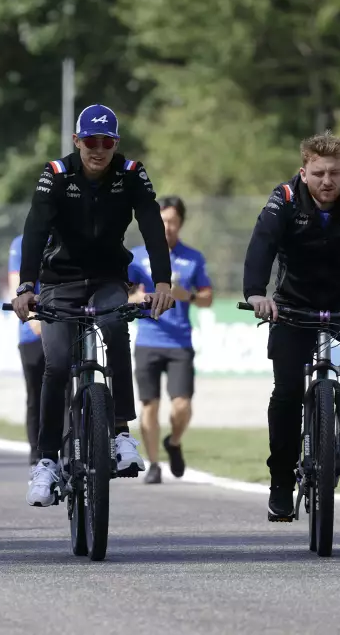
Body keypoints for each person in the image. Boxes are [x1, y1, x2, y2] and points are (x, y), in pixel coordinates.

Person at [11, 103, 176, 507]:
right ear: (76, 141)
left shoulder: (132, 173)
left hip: (107, 279)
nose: (98, 150)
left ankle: (121, 433)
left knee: (117, 327)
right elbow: (35, 227)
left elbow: (152, 223)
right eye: (90, 142)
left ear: (115, 143)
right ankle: (47, 461)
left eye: (106, 142)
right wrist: (26, 285)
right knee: (56, 361)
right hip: (58, 281)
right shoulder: (56, 174)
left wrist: (162, 282)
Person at [242, 131, 340, 522]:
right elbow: (262, 242)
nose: (327, 182)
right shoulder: (283, 197)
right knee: (285, 394)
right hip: (292, 303)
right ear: (304, 172)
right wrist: (255, 294)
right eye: (318, 174)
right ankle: (280, 482)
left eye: (334, 173)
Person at [127, 196, 213, 484]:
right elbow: (121, 293)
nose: (168, 228)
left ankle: (174, 442)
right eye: (163, 221)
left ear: (181, 223)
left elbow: (207, 298)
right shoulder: (137, 256)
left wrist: (185, 295)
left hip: (179, 342)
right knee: (149, 405)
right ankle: (153, 464)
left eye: (173, 222)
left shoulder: (193, 258)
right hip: (148, 340)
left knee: (182, 406)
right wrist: (136, 297)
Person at [8, 233, 44, 466]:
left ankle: (69, 449)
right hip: (33, 331)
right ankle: (36, 453)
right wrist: (33, 319)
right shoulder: (20, 242)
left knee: (67, 393)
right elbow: (16, 284)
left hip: (65, 322)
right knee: (36, 394)